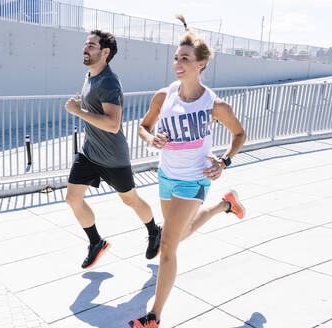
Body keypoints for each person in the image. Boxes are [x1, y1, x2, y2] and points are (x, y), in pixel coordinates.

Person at [128, 15, 247, 328]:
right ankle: (226, 204)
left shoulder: (214, 105)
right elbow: (143, 126)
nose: (178, 63)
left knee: (167, 246)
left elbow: (239, 134)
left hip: (194, 180)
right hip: (166, 177)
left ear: (201, 63)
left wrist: (224, 161)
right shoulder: (163, 96)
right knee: (177, 236)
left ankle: (153, 317)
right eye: (176, 58)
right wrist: (151, 138)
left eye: (185, 59)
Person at [64, 30, 162, 270]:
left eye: (91, 45)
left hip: (113, 157)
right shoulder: (90, 76)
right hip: (89, 153)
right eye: (85, 44)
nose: (85, 48)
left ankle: (154, 231)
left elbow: (112, 124)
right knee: (72, 198)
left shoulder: (108, 81)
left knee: (130, 200)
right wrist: (81, 107)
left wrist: (78, 111)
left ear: (105, 52)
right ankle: (96, 242)